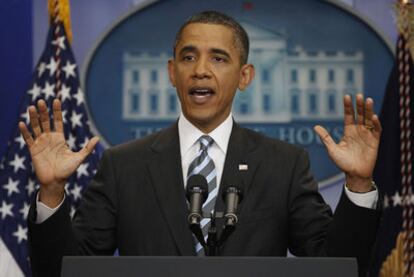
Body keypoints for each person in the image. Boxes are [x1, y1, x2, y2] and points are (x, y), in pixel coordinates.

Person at [21, 11, 381, 277]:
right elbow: (65, 271)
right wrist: (51, 193)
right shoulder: (122, 165)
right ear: (171, 72)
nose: (200, 70)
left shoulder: (283, 164)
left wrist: (359, 185)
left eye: (218, 58)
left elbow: (336, 266)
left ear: (244, 76)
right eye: (188, 57)